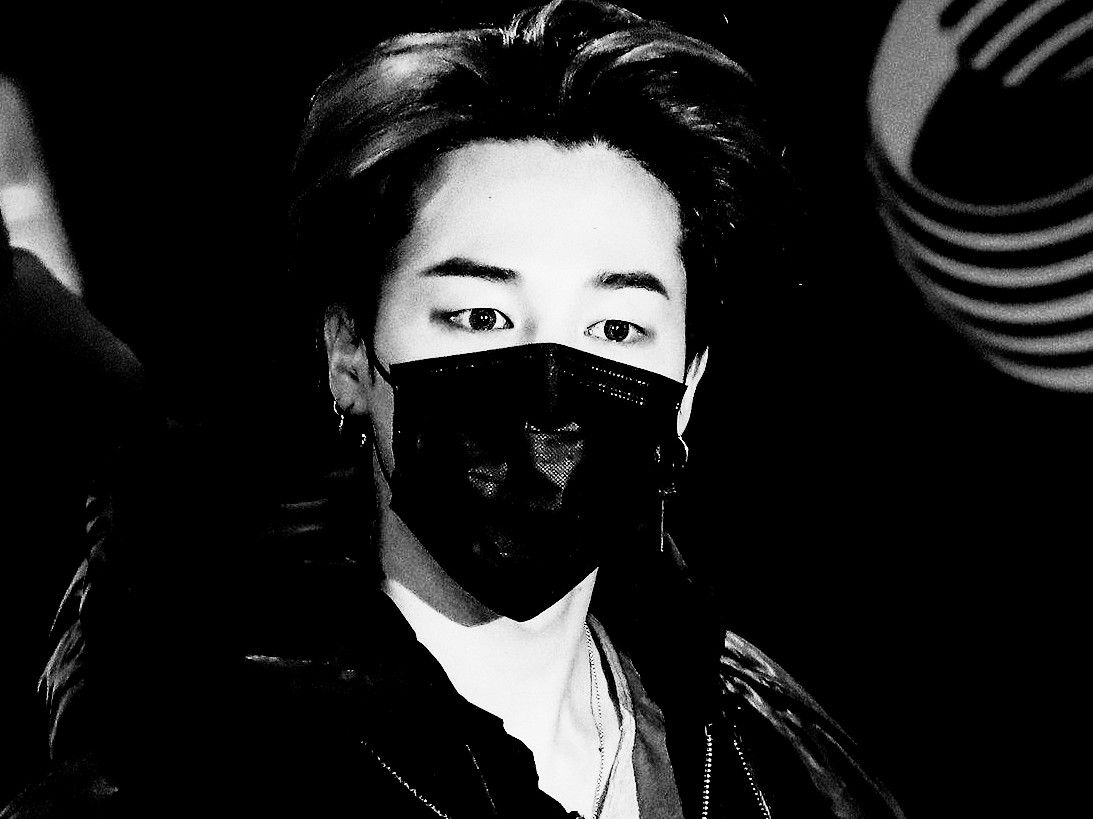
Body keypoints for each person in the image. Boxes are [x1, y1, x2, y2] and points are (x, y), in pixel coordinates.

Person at [4, 2, 905, 817]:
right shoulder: (189, 780)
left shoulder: (772, 756)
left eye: (616, 327)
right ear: (348, 351)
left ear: (687, 387)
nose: (552, 386)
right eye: (479, 316)